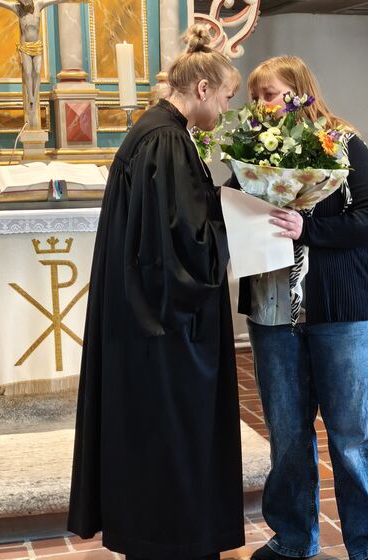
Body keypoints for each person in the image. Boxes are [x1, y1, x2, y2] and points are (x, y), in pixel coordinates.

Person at [68, 25, 245, 560]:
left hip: (145, 317)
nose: (225, 110)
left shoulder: (154, 132)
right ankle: (175, 544)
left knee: (151, 441)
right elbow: (184, 244)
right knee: (172, 440)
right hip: (167, 328)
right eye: (226, 97)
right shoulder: (167, 141)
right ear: (203, 88)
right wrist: (239, 217)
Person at [237, 56, 368, 560]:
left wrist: (309, 229)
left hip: (343, 311)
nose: (260, 104)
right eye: (255, 96)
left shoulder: (343, 144)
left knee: (353, 434)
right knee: (286, 434)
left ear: (299, 92)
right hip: (274, 311)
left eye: (269, 94)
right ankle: (293, 540)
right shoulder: (250, 153)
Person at [0, 0, 87, 129]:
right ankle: (31, 97)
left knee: (37, 71)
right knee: (27, 73)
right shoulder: (18, 9)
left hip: (37, 46)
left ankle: (35, 96)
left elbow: (57, 0)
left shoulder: (39, 5)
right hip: (25, 47)